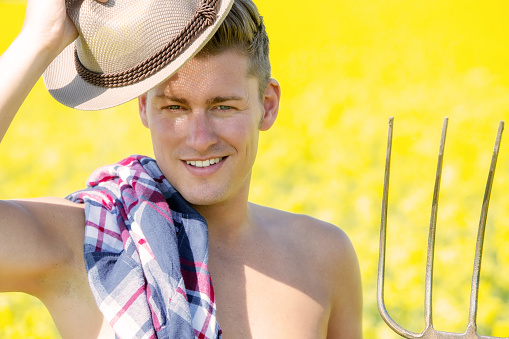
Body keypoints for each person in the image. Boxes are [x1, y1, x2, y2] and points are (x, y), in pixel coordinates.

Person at [0, 0, 363, 337]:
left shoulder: (323, 255)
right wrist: (38, 41)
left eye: (224, 107)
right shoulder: (89, 243)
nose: (200, 138)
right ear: (144, 107)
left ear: (267, 105)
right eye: (175, 108)